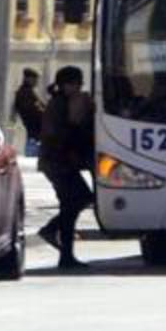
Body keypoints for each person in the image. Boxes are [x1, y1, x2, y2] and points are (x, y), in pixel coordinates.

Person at [37, 66, 95, 270]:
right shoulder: (59, 104)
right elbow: (61, 135)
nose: (78, 87)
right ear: (65, 84)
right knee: (75, 202)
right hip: (57, 163)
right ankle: (59, 243)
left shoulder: (64, 102)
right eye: (75, 83)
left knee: (75, 203)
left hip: (61, 163)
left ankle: (62, 247)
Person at [13, 68, 46, 157]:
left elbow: (40, 106)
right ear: (28, 79)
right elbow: (31, 111)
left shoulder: (29, 92)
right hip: (33, 131)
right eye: (34, 79)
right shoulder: (24, 93)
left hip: (35, 132)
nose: (36, 82)